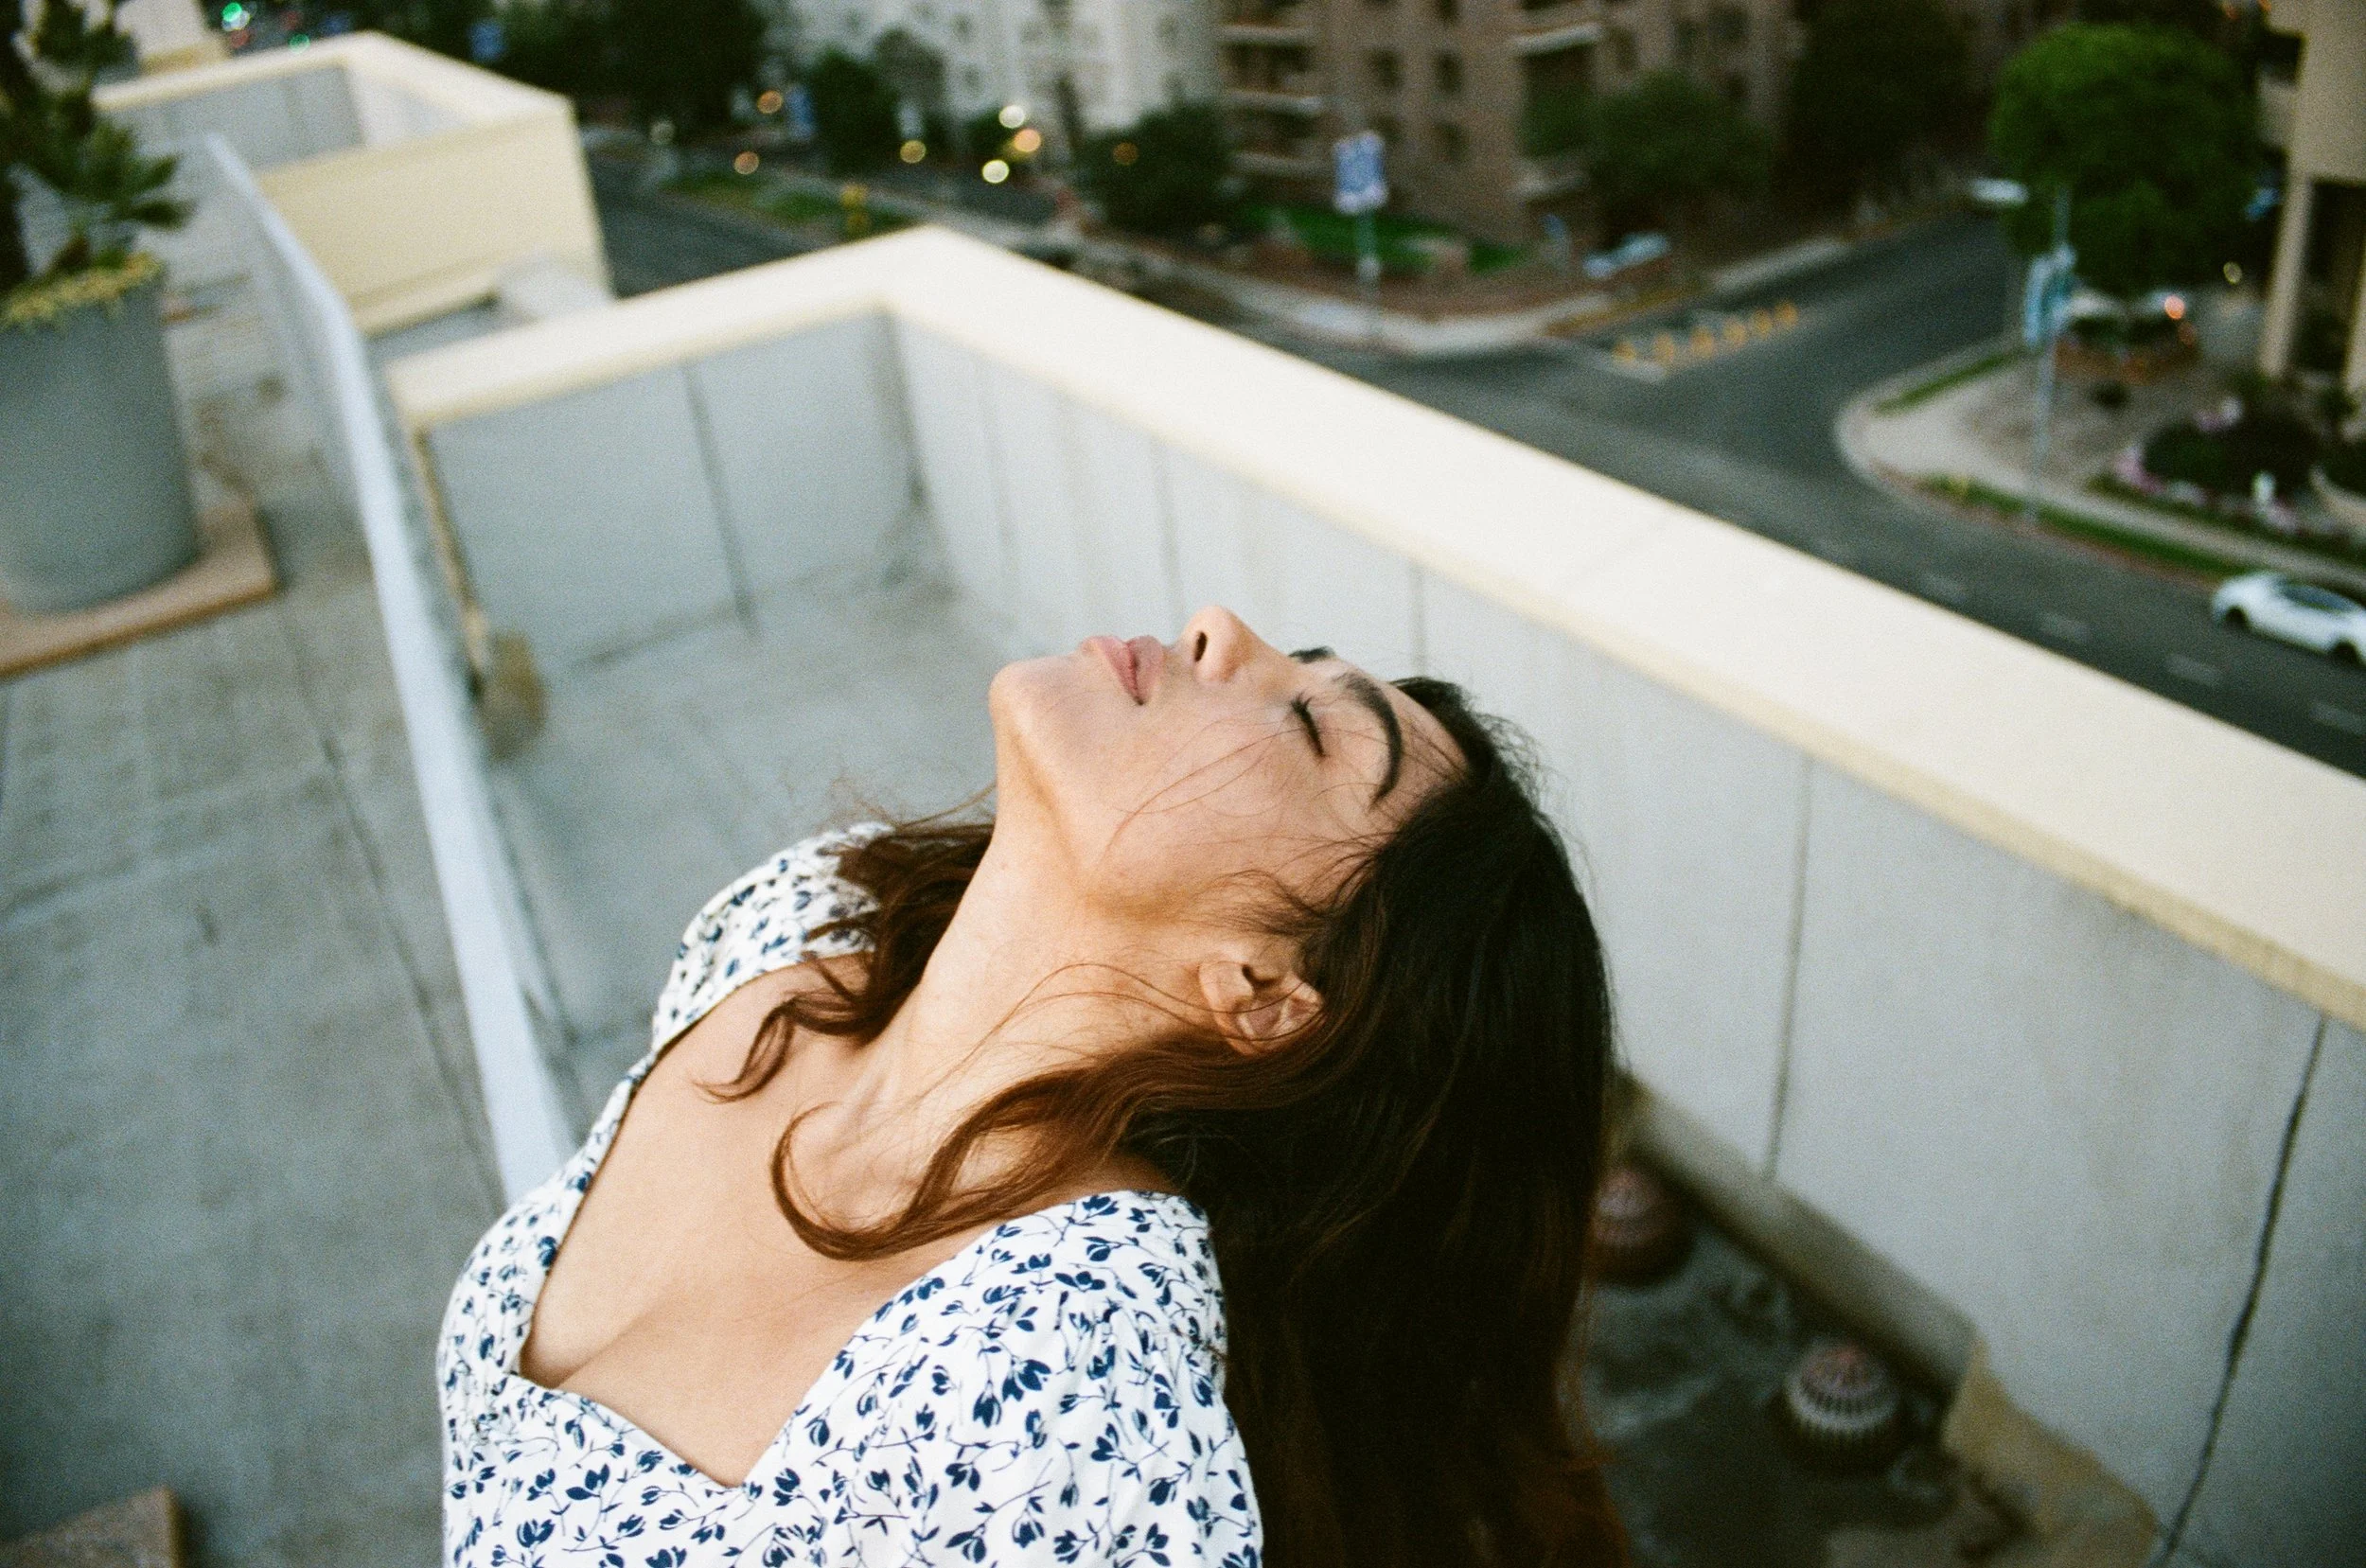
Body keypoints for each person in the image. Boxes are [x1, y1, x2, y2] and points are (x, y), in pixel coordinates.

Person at [438, 606, 1624, 1567]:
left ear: (1262, 992)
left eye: (1312, 726)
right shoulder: (799, 926)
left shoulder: (1059, 1397)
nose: (1219, 629)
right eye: (1294, 663)